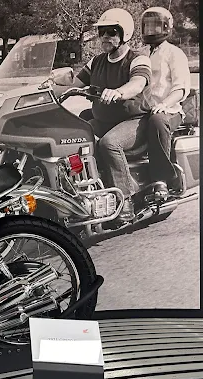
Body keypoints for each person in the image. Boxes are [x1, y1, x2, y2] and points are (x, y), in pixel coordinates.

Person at [52, 8, 152, 222]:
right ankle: (81, 196)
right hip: (103, 120)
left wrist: (118, 92)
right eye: (101, 32)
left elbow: (137, 83)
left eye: (112, 32)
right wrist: (46, 92)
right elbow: (74, 85)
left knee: (109, 143)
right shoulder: (96, 61)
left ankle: (126, 201)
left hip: (135, 121)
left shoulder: (138, 59)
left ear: (125, 34)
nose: (105, 36)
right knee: (71, 139)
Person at [138, 6, 191, 198]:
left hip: (170, 110)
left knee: (157, 120)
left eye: (156, 26)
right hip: (142, 109)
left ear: (167, 27)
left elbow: (180, 88)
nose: (151, 30)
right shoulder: (140, 53)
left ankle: (161, 180)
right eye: (147, 26)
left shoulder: (174, 53)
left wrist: (164, 104)